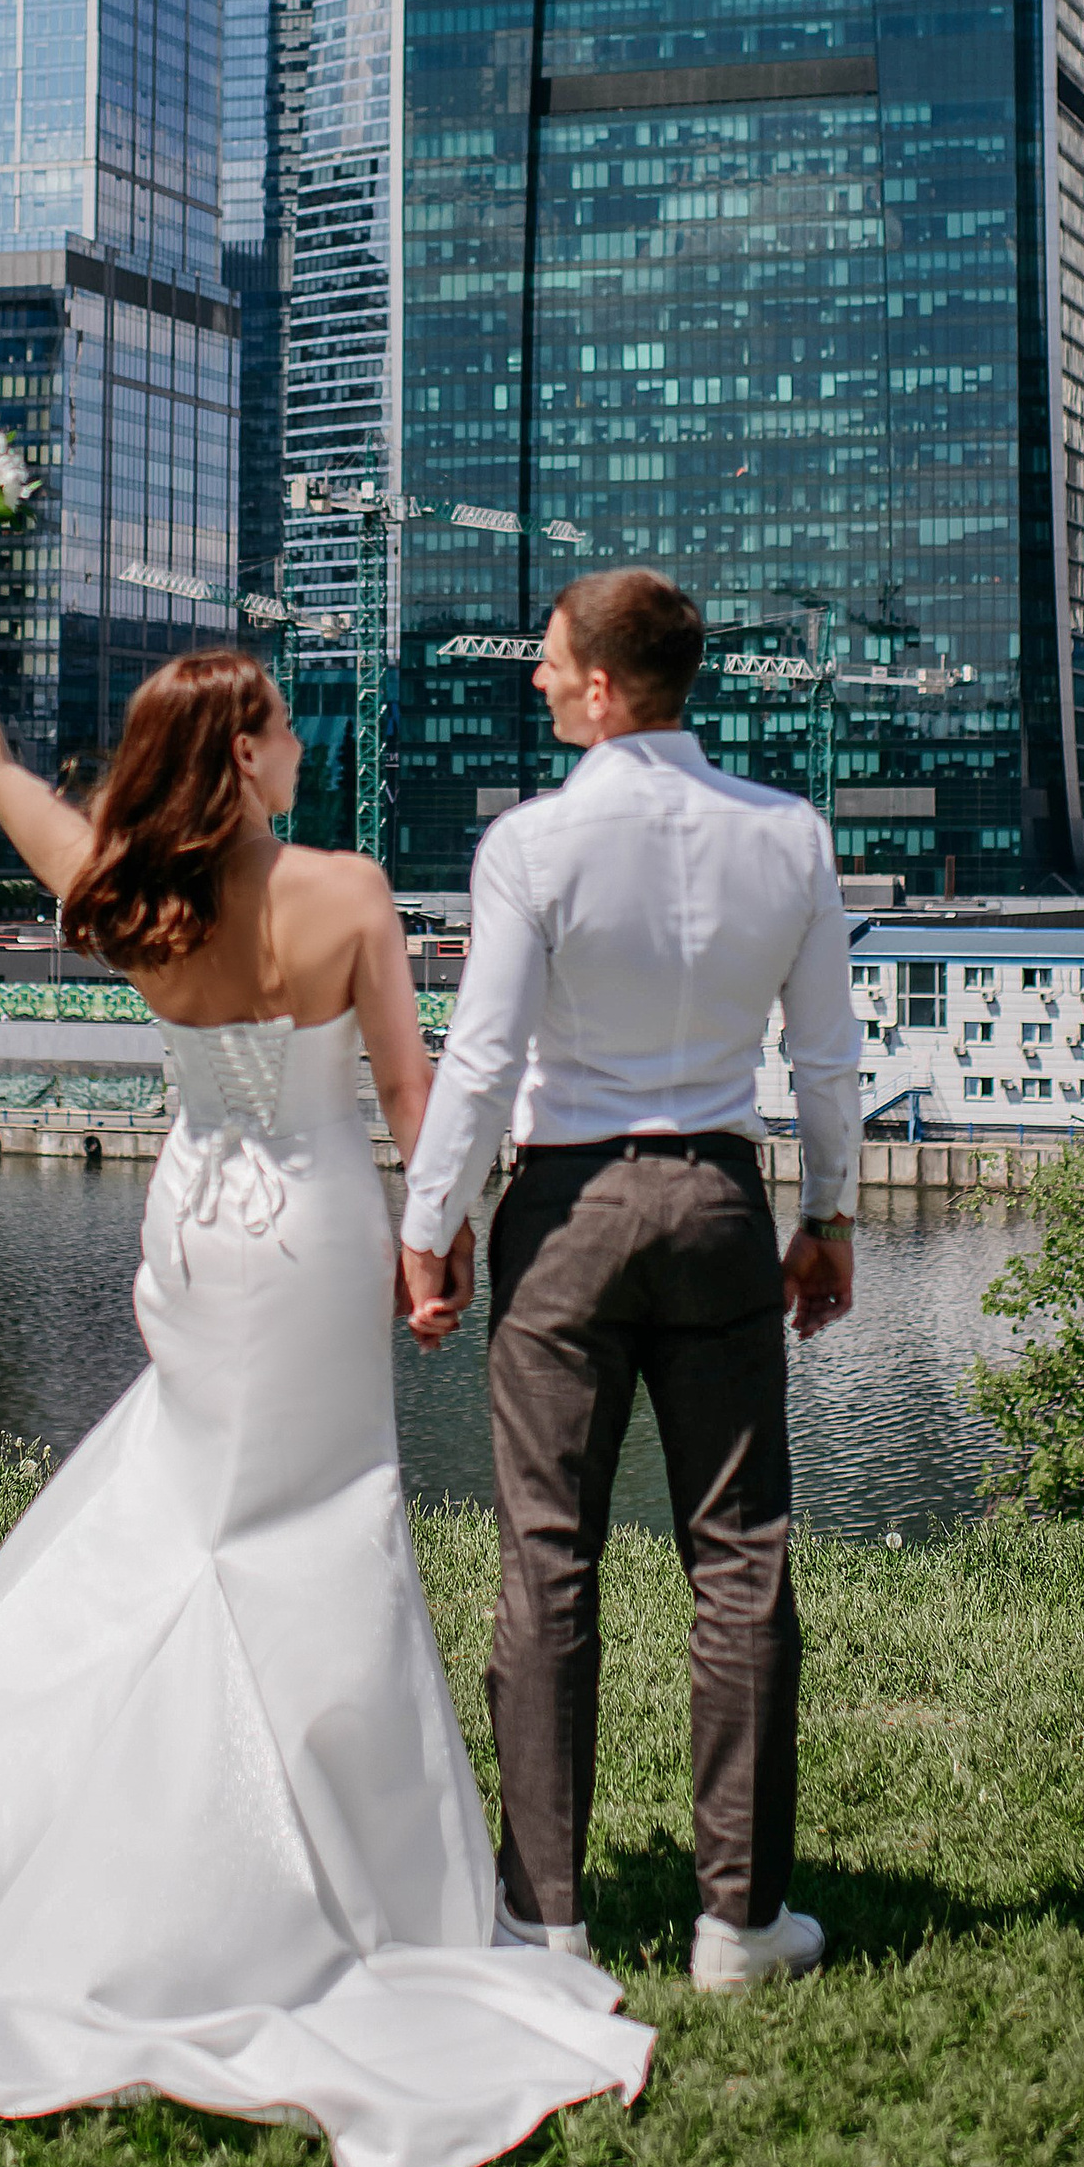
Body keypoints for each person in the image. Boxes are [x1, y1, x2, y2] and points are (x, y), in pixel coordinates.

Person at [0, 532, 653, 2167]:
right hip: (317, 1236)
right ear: (242, 750)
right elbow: (414, 1100)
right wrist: (445, 1253)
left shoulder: (120, 894)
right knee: (319, 1525)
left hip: (195, 1244)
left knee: (187, 1515)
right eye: (278, 723)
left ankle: (82, 1857)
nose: (296, 742)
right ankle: (333, 1894)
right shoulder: (346, 892)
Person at [398, 567, 862, 1994]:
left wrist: (432, 1221)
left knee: (548, 1556)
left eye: (548, 663)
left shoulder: (529, 846)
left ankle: (545, 1922)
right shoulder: (790, 834)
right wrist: (831, 1213)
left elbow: (481, 1061)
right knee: (741, 1557)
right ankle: (738, 1923)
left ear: (604, 686)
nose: (533, 680)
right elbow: (829, 1057)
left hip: (569, 1211)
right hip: (720, 1201)